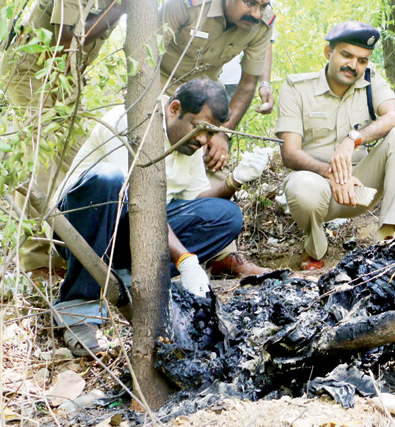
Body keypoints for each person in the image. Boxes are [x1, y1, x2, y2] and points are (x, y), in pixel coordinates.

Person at [52, 78, 270, 356]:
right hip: (84, 226)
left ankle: (132, 277)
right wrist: (184, 258)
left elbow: (195, 205)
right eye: (199, 128)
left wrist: (234, 181)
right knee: (109, 179)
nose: (203, 140)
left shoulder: (188, 141)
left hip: (132, 236)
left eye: (210, 132)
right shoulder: (129, 121)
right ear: (174, 108)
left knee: (226, 216)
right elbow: (132, 200)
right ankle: (77, 308)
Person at [1, 0, 132, 276]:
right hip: (32, 68)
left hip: (66, 81)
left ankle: (65, 248)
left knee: (77, 157)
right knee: (41, 159)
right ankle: (35, 259)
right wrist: (116, 10)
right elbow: (60, 44)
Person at [275, 22, 395, 270]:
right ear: (328, 52)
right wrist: (332, 174)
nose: (353, 66)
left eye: (362, 60)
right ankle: (314, 251)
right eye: (346, 55)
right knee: (301, 186)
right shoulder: (297, 88)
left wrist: (353, 138)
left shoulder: (369, 80)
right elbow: (289, 154)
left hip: (360, 188)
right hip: (320, 186)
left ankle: (387, 239)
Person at [159, 0, 275, 277]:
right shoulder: (186, 2)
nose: (256, 11)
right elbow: (144, 57)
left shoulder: (261, 23)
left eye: (263, 4)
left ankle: (223, 254)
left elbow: (248, 83)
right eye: (250, 2)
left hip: (207, 102)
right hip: (159, 90)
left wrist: (220, 132)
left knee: (214, 162)